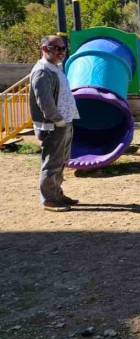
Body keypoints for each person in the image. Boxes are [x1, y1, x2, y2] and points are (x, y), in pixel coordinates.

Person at [29, 35, 80, 212]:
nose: (61, 52)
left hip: (64, 122)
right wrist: (57, 120)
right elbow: (45, 101)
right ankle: (49, 199)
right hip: (53, 125)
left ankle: (57, 194)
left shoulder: (55, 68)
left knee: (61, 161)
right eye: (56, 48)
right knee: (52, 162)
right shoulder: (43, 71)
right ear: (44, 49)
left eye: (63, 48)